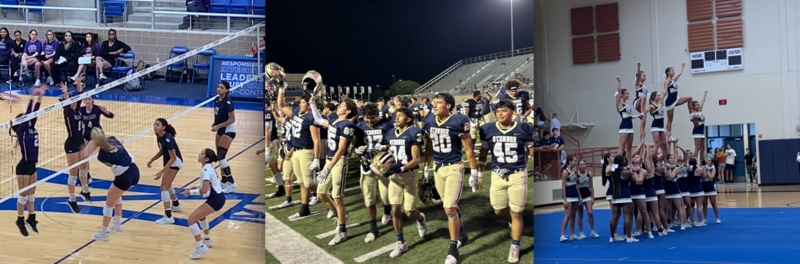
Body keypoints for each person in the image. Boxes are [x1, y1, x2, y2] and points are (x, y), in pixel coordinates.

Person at [422, 92, 478, 263]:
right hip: (437, 168)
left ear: (449, 105)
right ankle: (462, 233)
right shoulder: (429, 120)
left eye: (438, 102)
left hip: (454, 167)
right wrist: (426, 166)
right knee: (450, 206)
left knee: (449, 209)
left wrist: (474, 171)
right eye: (434, 102)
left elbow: (468, 148)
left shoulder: (459, 121)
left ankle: (453, 249)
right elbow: (430, 144)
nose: (434, 105)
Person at [477, 100, 535, 263]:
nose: (499, 113)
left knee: (517, 212)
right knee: (498, 209)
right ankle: (513, 221)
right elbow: (483, 152)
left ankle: (515, 245)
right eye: (497, 111)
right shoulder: (488, 129)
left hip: (517, 174)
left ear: (512, 111)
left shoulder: (523, 128)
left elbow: (531, 150)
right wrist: (479, 174)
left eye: (503, 110)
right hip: (497, 174)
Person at [380, 107, 428, 258]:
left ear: (408, 119)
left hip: (409, 175)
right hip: (394, 177)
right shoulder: (389, 134)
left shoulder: (413, 132)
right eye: (396, 115)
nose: (396, 117)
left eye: (400, 115)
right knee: (395, 209)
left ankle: (420, 218)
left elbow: (416, 159)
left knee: (409, 212)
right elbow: (388, 155)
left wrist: (401, 168)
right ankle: (401, 243)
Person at [310, 97, 358, 246]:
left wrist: (328, 167)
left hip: (338, 162)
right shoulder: (333, 121)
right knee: (321, 194)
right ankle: (340, 215)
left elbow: (342, 149)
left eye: (342, 105)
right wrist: (312, 103)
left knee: (337, 197)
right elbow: (318, 120)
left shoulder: (347, 125)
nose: (338, 106)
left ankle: (342, 232)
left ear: (348, 111)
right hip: (330, 161)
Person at [276, 72, 322, 218]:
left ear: (309, 105)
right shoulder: (296, 113)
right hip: (296, 152)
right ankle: (304, 208)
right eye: (301, 102)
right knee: (302, 182)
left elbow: (316, 140)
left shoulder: (311, 117)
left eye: (303, 103)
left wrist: (316, 158)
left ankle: (325, 194)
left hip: (306, 152)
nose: (300, 104)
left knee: (308, 183)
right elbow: (281, 106)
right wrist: (281, 89)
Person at [86, 127, 139, 242]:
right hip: (134, 171)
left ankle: (103, 234)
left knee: (109, 204)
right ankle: (117, 225)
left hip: (124, 177)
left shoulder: (101, 156)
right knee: (116, 195)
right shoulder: (113, 139)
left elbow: (112, 163)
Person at [353, 103, 394, 241]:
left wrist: (386, 147)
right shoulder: (359, 127)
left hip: (382, 167)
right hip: (366, 167)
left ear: (377, 115)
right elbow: (354, 146)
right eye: (367, 118)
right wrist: (356, 151)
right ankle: (373, 229)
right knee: (369, 199)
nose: (370, 120)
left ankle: (387, 210)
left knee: (386, 197)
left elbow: (392, 143)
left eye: (372, 117)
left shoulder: (386, 126)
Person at [12, 86, 44, 236]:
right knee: (23, 195)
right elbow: (31, 111)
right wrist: (32, 96)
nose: (30, 117)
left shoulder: (31, 127)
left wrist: (40, 96)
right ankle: (19, 220)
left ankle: (31, 218)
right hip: (24, 166)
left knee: (31, 195)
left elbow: (35, 112)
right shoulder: (22, 130)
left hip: (32, 165)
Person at [181, 148, 225, 259]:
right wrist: (194, 187)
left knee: (191, 220)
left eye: (201, 154)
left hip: (215, 200)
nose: (198, 155)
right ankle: (206, 239)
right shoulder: (208, 167)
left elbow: (205, 190)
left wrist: (189, 192)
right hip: (218, 198)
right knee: (201, 216)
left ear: (206, 159)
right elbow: (206, 183)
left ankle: (200, 246)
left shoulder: (206, 170)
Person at [78, 91, 116, 201]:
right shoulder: (81, 111)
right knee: (84, 157)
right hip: (86, 136)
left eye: (89, 99)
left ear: (92, 100)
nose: (87, 101)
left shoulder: (97, 108)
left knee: (87, 155)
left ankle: (115, 165)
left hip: (97, 136)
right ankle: (87, 176)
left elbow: (111, 116)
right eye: (86, 99)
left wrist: (107, 111)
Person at [147, 118, 185, 225]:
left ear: (163, 127)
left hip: (174, 162)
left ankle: (168, 216)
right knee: (167, 185)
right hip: (170, 161)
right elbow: (162, 151)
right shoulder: (159, 136)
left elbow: (173, 158)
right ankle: (176, 205)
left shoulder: (168, 138)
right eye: (154, 124)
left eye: (157, 125)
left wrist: (161, 171)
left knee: (163, 187)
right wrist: (152, 159)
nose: (155, 127)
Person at [59, 78, 87, 213]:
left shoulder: (78, 110)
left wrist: (78, 84)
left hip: (81, 142)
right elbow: (68, 102)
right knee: (73, 173)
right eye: (72, 101)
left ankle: (85, 190)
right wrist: (66, 93)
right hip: (71, 144)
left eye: (75, 101)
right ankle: (71, 199)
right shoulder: (68, 112)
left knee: (84, 167)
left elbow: (80, 95)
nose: (74, 103)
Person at [213, 81, 238, 193]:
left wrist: (218, 125)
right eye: (218, 87)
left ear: (227, 90)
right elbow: (216, 114)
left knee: (221, 156)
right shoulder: (216, 100)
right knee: (219, 156)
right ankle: (223, 181)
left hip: (228, 131)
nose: (219, 89)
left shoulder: (228, 102)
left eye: (221, 87)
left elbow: (232, 119)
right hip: (220, 130)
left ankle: (231, 182)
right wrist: (214, 123)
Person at [615, 76, 643, 163]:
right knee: (622, 146)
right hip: (624, 127)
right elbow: (619, 91)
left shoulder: (627, 105)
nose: (628, 95)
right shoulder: (620, 104)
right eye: (627, 94)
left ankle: (629, 164)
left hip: (630, 126)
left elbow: (629, 116)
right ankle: (618, 164)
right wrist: (619, 82)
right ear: (621, 95)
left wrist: (638, 116)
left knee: (629, 147)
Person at [661, 63, 692, 141]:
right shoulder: (667, 81)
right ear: (668, 72)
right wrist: (661, 100)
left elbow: (679, 73)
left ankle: (691, 114)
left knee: (689, 98)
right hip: (670, 101)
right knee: (670, 120)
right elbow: (664, 91)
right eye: (672, 70)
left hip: (676, 99)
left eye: (673, 70)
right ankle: (669, 134)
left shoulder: (673, 80)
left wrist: (682, 67)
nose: (673, 71)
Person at [559, 157, 580, 242]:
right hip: (568, 196)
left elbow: (576, 185)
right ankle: (562, 235)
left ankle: (572, 234)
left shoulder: (574, 172)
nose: (576, 162)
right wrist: (564, 199)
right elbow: (563, 186)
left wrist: (579, 196)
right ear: (570, 161)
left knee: (573, 215)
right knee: (567, 215)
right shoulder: (565, 172)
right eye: (575, 161)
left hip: (575, 195)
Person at [690, 91, 709, 160]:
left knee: (703, 148)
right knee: (697, 147)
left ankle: (702, 161)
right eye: (697, 105)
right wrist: (694, 118)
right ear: (693, 107)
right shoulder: (693, 114)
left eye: (699, 105)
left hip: (702, 131)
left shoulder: (700, 111)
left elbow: (702, 102)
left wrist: (705, 94)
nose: (699, 106)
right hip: (697, 131)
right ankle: (694, 161)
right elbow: (695, 124)